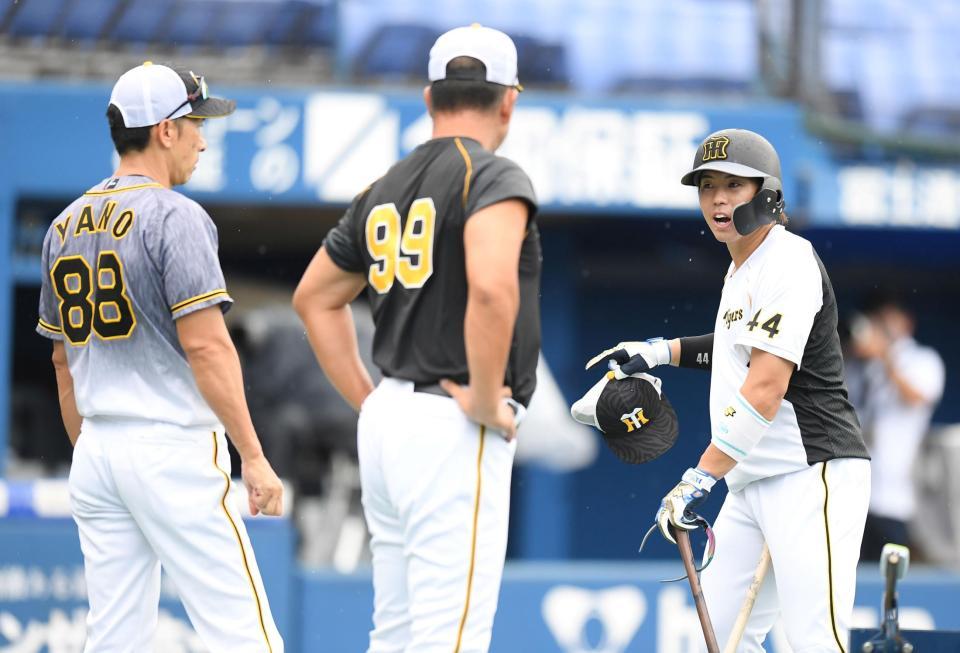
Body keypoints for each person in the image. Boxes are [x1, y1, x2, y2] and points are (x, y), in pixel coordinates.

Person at [293, 24, 539, 653]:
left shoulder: (383, 188)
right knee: (447, 640)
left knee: (398, 634)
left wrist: (370, 400)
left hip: (390, 422)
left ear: (430, 98)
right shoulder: (491, 175)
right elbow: (490, 289)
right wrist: (487, 398)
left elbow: (314, 298)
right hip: (453, 422)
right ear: (508, 100)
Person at [587, 129, 870, 651]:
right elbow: (739, 347)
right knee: (714, 641)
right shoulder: (742, 268)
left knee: (817, 642)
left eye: (733, 185)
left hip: (811, 473)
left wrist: (700, 476)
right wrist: (660, 350)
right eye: (707, 186)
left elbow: (765, 385)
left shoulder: (787, 259)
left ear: (767, 193)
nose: (717, 198)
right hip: (754, 477)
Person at [36, 62, 284, 652]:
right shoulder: (176, 215)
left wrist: (98, 454)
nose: (202, 137)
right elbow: (205, 345)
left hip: (97, 447)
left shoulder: (63, 224)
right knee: (244, 636)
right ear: (164, 130)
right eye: (194, 121)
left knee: (114, 642)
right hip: (169, 446)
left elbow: (61, 364)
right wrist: (253, 455)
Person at [848, 299, 945, 560]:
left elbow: (916, 397)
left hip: (895, 496)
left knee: (889, 574)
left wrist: (885, 357)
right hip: (853, 493)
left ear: (906, 321)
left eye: (889, 320)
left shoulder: (922, 359)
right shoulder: (862, 366)